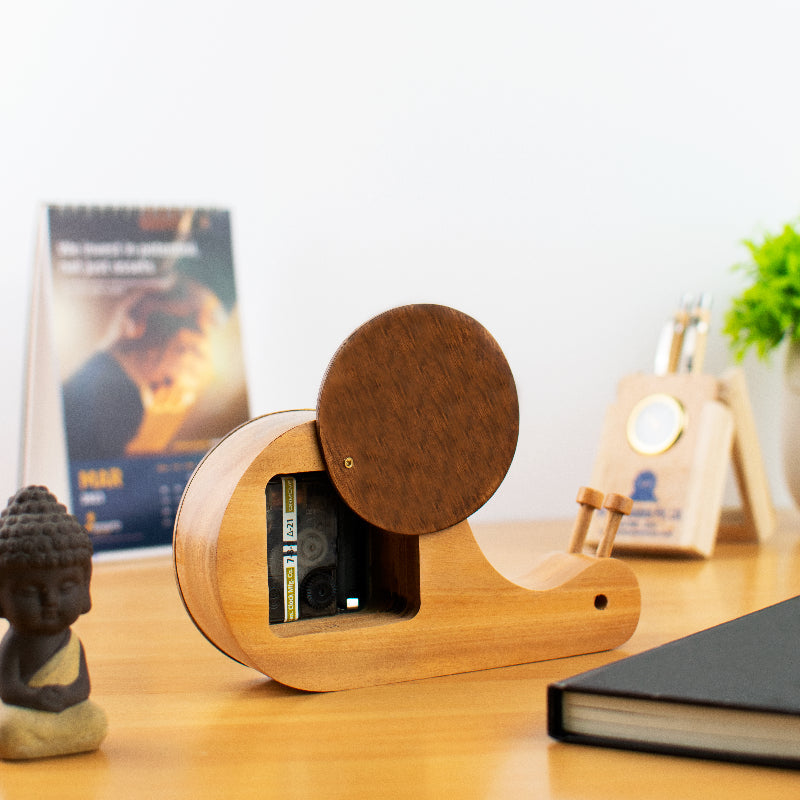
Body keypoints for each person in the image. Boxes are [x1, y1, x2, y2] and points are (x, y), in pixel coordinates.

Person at [0, 486, 107, 759]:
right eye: (29, 591)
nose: (51, 601)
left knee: (95, 721)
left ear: (85, 584)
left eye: (66, 587)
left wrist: (67, 696)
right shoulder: (13, 644)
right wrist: (34, 698)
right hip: (26, 713)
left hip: (64, 709)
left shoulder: (71, 643)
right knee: (9, 730)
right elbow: (8, 688)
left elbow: (82, 685)